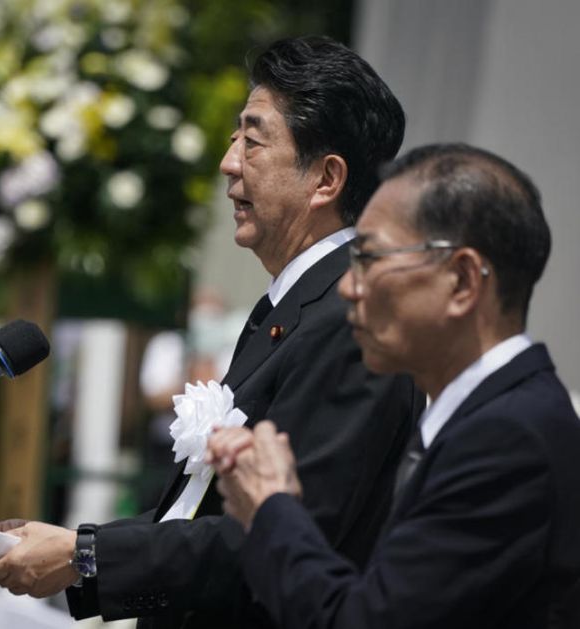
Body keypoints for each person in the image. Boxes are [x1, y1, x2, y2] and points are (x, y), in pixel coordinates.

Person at [0, 36, 425, 627]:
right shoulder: (294, 306)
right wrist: (75, 545)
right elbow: (203, 511)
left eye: (253, 140)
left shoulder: (350, 324)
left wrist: (84, 555)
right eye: (233, 138)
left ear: (326, 179)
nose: (228, 161)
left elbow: (287, 536)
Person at [208, 143, 580, 629]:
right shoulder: (496, 417)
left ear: (463, 281)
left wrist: (271, 508)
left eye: (370, 257)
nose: (348, 287)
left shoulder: (508, 439)